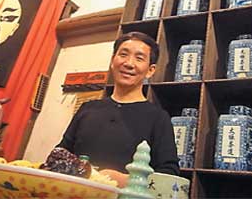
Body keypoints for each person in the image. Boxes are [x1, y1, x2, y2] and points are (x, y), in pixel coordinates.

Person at [57, 31, 179, 186]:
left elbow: (169, 174)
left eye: (139, 58)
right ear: (112, 61)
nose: (128, 63)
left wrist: (124, 180)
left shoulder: (158, 118)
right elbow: (61, 154)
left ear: (150, 70)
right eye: (123, 54)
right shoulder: (88, 109)